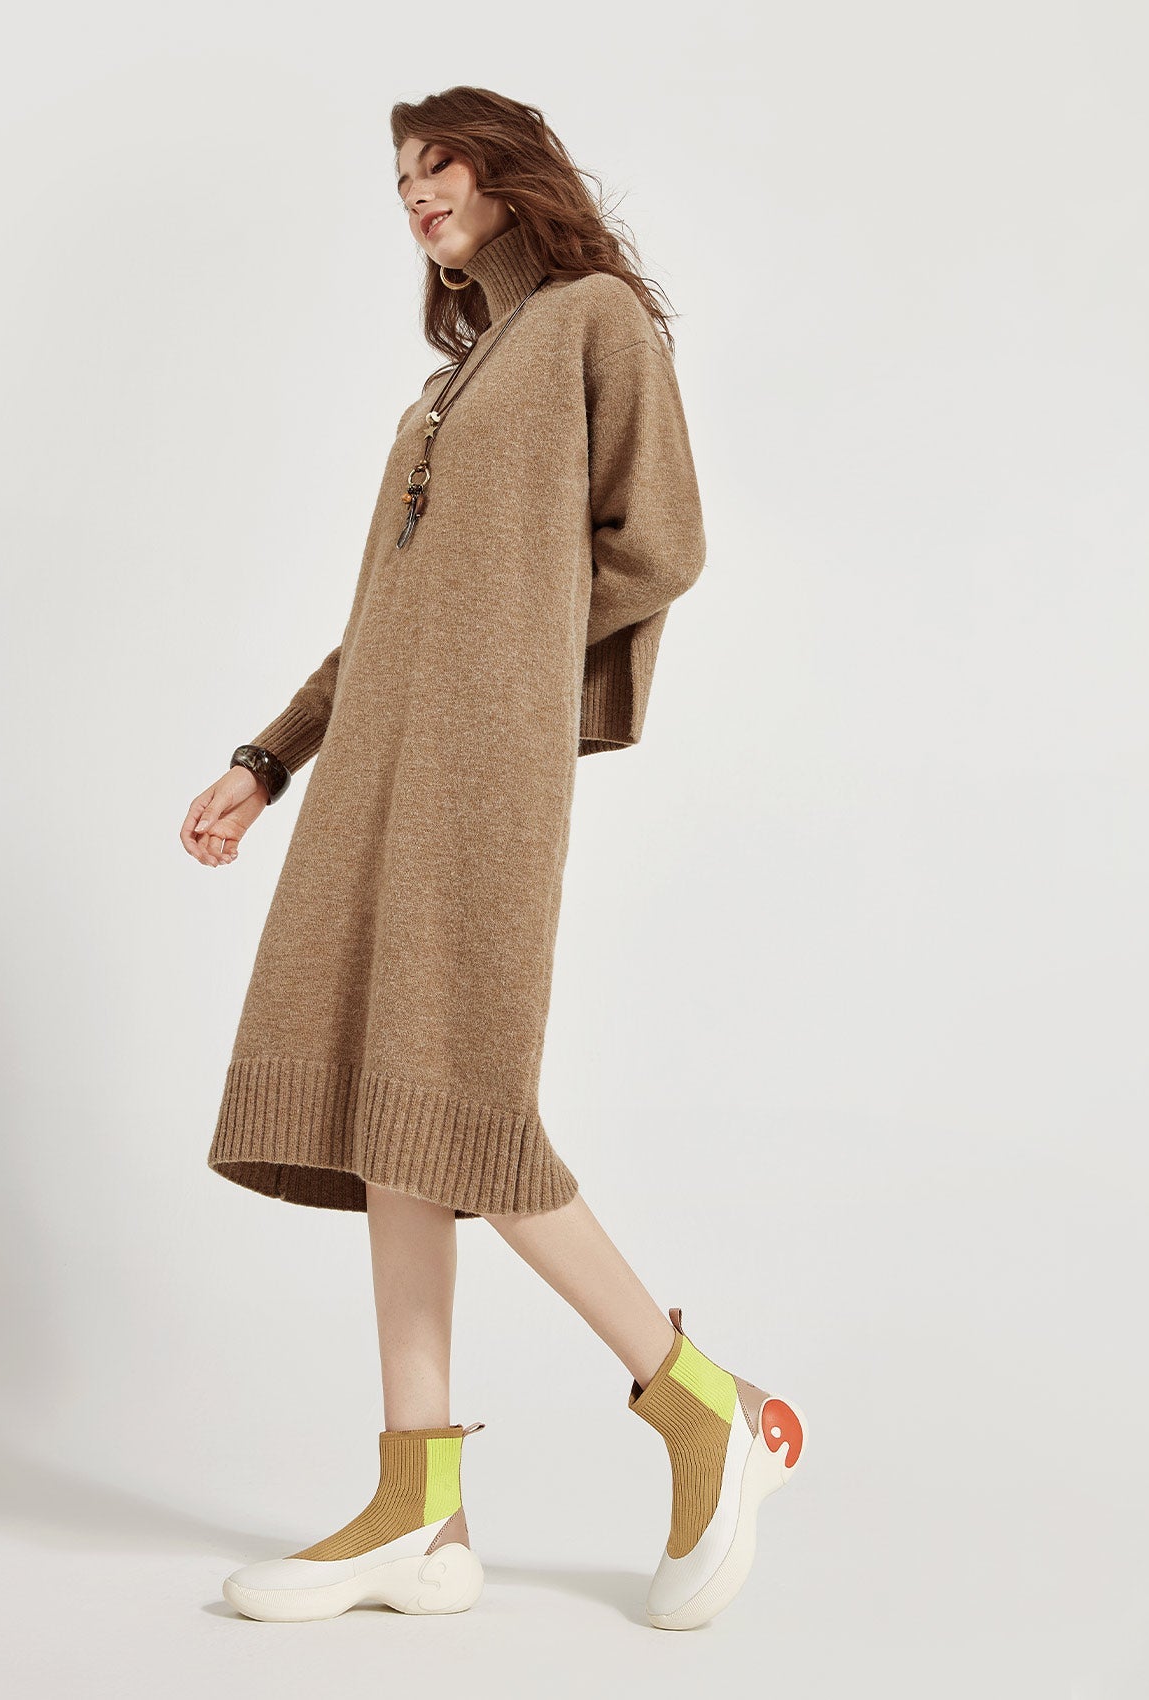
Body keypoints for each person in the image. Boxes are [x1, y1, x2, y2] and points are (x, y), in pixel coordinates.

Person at [180, 86, 803, 1631]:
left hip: (480, 780)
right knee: (394, 1109)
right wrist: (267, 760)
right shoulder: (450, 388)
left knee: (462, 1102)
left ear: (511, 171)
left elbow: (663, 543)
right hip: (377, 779)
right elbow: (387, 620)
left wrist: (515, 663)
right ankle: (422, 1507)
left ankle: (704, 1405)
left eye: (438, 163)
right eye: (400, 175)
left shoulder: (594, 323)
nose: (415, 192)